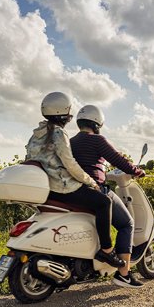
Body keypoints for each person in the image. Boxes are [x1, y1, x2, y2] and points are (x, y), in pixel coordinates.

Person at [25, 92, 124, 269]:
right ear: (64, 112)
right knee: (104, 202)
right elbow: (70, 165)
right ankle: (107, 251)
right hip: (64, 187)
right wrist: (91, 182)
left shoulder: (36, 135)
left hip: (47, 187)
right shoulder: (58, 134)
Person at [70, 104, 146, 289]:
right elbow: (118, 159)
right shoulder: (97, 140)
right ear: (97, 124)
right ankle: (124, 275)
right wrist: (136, 171)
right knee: (127, 224)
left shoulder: (70, 142)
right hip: (96, 190)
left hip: (74, 191)